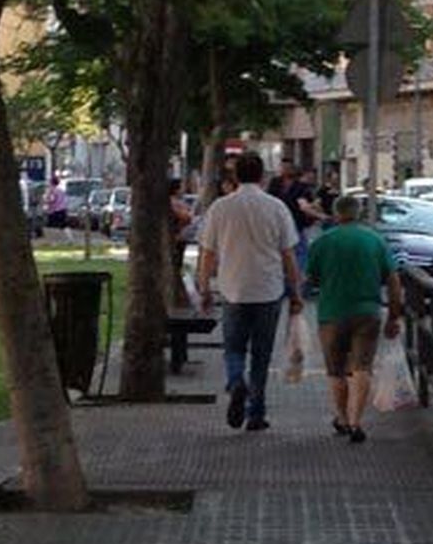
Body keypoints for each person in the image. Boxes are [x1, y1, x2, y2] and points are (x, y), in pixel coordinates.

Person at [196, 153, 304, 432]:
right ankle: (256, 413)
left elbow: (207, 253)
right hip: (268, 290)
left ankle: (235, 382)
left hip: (233, 289)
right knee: (261, 354)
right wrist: (295, 292)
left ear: (235, 176)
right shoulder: (276, 207)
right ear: (262, 176)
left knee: (233, 348)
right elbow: (288, 254)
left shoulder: (220, 208)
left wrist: (204, 287)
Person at [305, 194, 403, 443]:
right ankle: (356, 421)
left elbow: (311, 279)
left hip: (331, 313)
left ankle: (341, 417)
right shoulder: (375, 241)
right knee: (362, 367)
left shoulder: (322, 242)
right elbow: (393, 281)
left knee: (336, 371)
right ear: (358, 213)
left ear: (336, 214)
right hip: (367, 312)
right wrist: (394, 315)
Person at [168, 179, 194, 308]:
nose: (183, 190)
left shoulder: (175, 202)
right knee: (176, 266)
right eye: (181, 187)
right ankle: (179, 297)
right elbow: (186, 217)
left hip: (179, 238)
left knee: (177, 266)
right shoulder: (174, 203)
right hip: (177, 239)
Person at [44, 176, 71, 242]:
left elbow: (52, 199)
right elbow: (65, 200)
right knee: (64, 225)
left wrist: (46, 200)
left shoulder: (52, 190)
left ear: (51, 183)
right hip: (63, 209)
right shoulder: (61, 190)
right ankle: (69, 239)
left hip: (55, 210)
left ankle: (54, 240)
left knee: (52, 226)